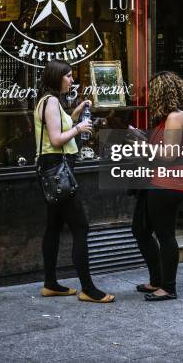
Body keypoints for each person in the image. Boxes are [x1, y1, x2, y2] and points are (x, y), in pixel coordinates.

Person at [35, 59, 115, 303]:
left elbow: (58, 126)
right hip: (58, 168)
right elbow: (57, 138)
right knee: (80, 227)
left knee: (54, 226)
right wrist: (79, 129)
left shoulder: (49, 102)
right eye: (68, 76)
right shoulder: (50, 102)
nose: (72, 80)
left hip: (53, 167)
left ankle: (50, 283)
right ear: (57, 77)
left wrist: (76, 113)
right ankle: (88, 289)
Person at [132, 71, 183, 302]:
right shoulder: (165, 119)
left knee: (165, 235)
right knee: (140, 229)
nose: (148, 97)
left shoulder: (176, 117)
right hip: (156, 181)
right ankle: (156, 280)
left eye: (151, 92)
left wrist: (143, 145)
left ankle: (168, 287)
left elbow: (169, 155)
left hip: (169, 182)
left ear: (162, 93)